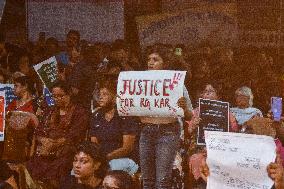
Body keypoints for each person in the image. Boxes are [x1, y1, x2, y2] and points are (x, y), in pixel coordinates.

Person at [139, 44, 192, 189]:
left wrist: (184, 107)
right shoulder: (140, 82)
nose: (150, 62)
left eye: (155, 59)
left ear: (165, 63)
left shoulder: (176, 83)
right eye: (149, 59)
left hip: (168, 132)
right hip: (146, 131)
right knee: (147, 180)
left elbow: (189, 115)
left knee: (162, 181)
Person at [27, 81, 89, 188]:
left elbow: (75, 134)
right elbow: (39, 131)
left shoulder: (79, 112)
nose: (57, 99)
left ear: (69, 94)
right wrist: (44, 141)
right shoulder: (50, 111)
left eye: (61, 96)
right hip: (47, 149)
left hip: (68, 149)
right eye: (54, 96)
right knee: (32, 164)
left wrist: (55, 143)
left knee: (60, 165)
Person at [186, 82, 238, 189]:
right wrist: (194, 125)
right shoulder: (196, 112)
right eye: (205, 92)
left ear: (218, 95)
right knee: (197, 159)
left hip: (221, 150)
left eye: (210, 91)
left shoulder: (226, 112)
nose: (207, 94)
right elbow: (189, 131)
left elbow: (234, 131)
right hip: (200, 149)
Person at [90, 80, 139, 175]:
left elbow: (127, 148)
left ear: (115, 97)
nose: (100, 97)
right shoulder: (96, 116)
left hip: (123, 159)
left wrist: (105, 158)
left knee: (107, 169)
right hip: (101, 158)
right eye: (100, 94)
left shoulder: (125, 116)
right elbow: (94, 144)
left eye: (105, 94)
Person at [1, 76, 38, 162]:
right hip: (10, 139)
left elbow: (35, 127)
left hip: (25, 141)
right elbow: (5, 118)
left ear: (25, 87)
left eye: (16, 86)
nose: (13, 88)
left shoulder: (34, 105)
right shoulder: (14, 103)